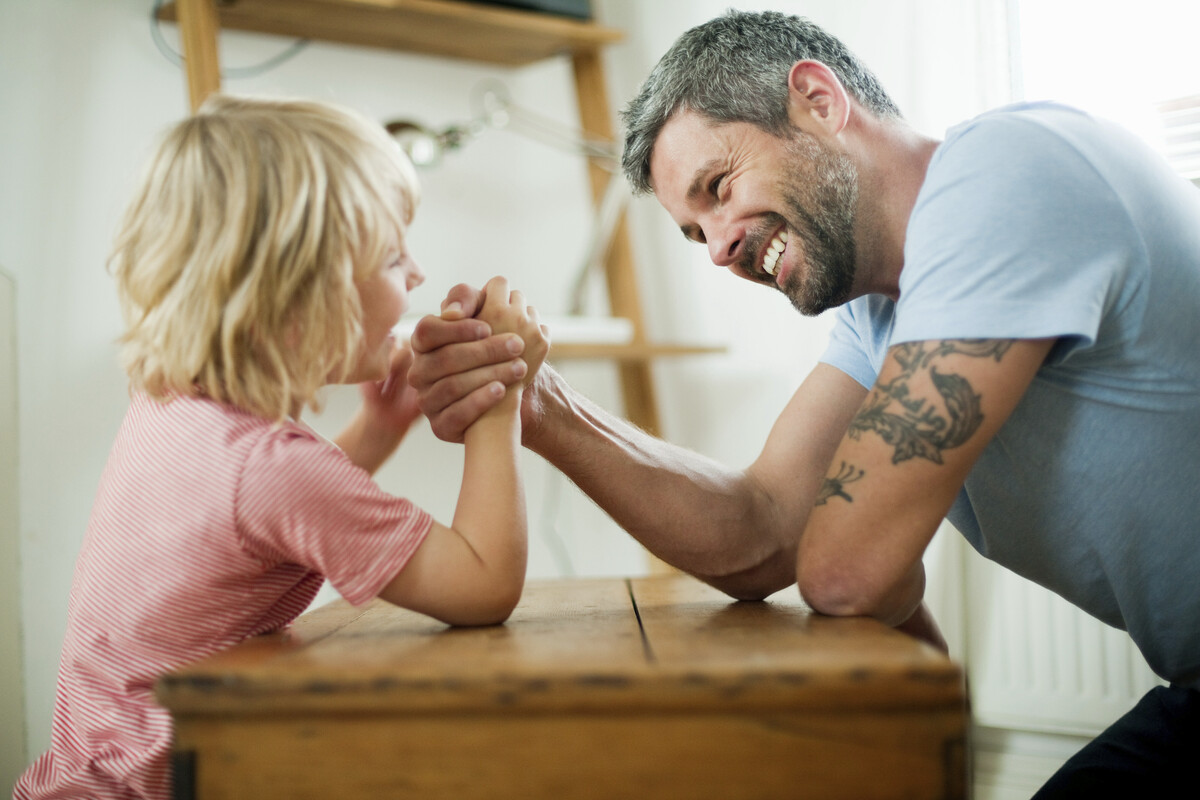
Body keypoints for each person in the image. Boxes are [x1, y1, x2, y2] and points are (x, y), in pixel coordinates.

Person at [406, 9, 1200, 797]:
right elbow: (760, 530)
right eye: (695, 232)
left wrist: (874, 580)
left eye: (718, 189)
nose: (717, 248)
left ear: (818, 101)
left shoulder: (1003, 173)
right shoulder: (880, 311)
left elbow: (845, 573)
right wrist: (538, 403)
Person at [16, 95, 548, 800]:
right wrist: (498, 399)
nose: (417, 274)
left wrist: (380, 430)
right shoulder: (272, 471)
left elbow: (257, 527)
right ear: (303, 293)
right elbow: (482, 586)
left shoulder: (172, 407)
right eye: (393, 255)